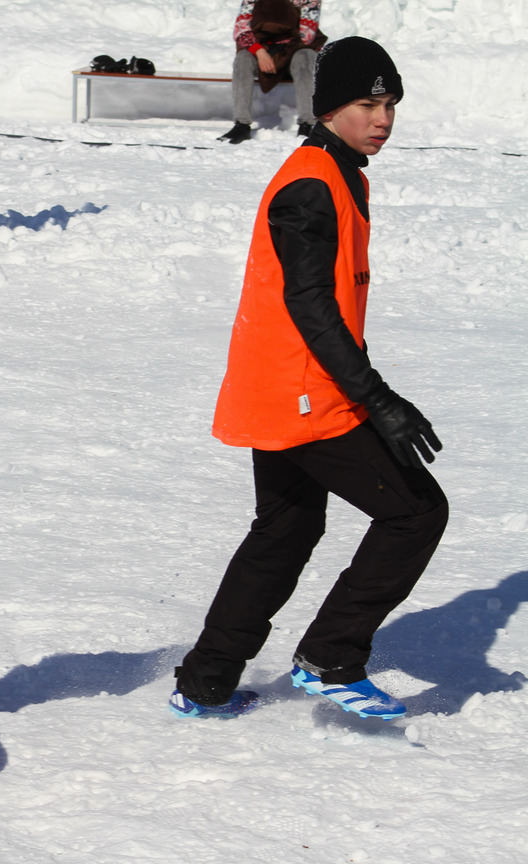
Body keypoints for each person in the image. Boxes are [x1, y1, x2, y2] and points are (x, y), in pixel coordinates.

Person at [171, 38, 449, 720]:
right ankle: (332, 657)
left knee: (286, 529)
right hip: (304, 393)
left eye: (390, 104)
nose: (382, 118)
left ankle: (206, 680)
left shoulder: (338, 171)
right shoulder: (310, 183)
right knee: (415, 512)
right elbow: (310, 302)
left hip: (285, 385)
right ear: (329, 109)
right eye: (366, 104)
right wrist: (376, 398)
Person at [218, 0, 326, 144]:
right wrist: (260, 51)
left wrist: (278, 55)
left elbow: (307, 34)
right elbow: (241, 28)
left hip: (294, 51)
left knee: (306, 57)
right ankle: (241, 125)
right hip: (261, 49)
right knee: (243, 59)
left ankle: (307, 124)